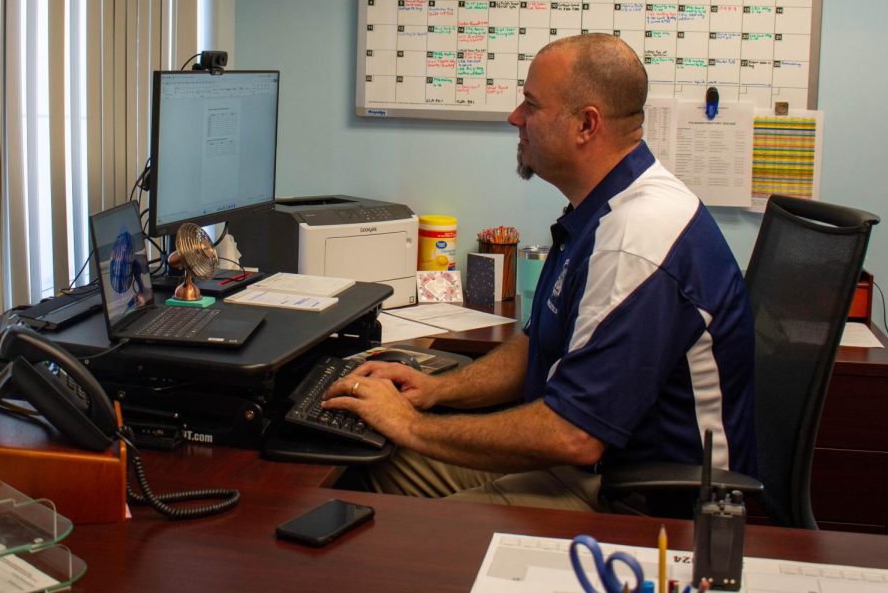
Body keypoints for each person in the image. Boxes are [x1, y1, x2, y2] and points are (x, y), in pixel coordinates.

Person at [323, 33, 756, 511]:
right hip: (587, 460)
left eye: (531, 104)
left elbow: (574, 435)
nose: (515, 118)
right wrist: (436, 390)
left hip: (634, 500)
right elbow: (537, 346)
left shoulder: (637, 238)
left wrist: (409, 424)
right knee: (368, 464)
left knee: (410, 536)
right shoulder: (600, 210)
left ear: (586, 125)